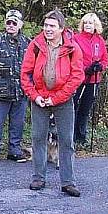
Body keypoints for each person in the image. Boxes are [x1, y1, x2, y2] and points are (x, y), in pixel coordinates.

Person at [21, 10, 84, 197]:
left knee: (66, 140)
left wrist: (56, 98)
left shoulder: (73, 48)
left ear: (61, 29)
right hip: (39, 98)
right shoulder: (35, 45)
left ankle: (68, 182)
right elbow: (25, 74)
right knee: (38, 137)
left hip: (63, 100)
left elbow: (76, 77)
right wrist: (35, 95)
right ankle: (38, 178)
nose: (48, 29)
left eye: (52, 26)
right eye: (46, 25)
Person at [0, 9, 31, 163]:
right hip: (0, 91)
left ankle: (14, 151)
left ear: (20, 25)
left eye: (14, 23)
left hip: (21, 91)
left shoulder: (28, 43)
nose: (11, 25)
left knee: (18, 123)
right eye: (8, 22)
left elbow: (32, 67)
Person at [73, 12, 108, 145]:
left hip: (94, 80)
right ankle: (71, 136)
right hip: (79, 79)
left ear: (95, 25)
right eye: (86, 23)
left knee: (85, 109)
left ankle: (81, 136)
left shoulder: (99, 40)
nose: (88, 25)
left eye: (91, 23)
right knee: (74, 107)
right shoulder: (76, 39)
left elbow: (105, 59)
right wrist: (84, 69)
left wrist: (100, 66)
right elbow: (73, 58)